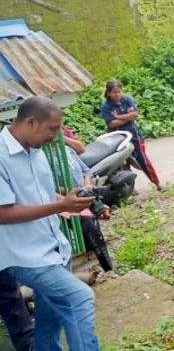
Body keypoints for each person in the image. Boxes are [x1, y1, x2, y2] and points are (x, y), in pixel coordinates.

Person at [0, 96, 100, 350]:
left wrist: (75, 203)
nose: (56, 136)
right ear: (31, 122)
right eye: (53, 129)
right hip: (24, 256)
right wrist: (59, 206)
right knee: (80, 298)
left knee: (49, 317)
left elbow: (43, 196)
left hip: (55, 248)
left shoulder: (36, 151)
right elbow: (3, 212)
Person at [100, 81, 162, 190]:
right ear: (108, 93)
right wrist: (128, 117)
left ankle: (157, 183)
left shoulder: (127, 100)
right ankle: (129, 189)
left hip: (133, 135)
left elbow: (135, 115)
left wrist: (119, 117)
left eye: (119, 92)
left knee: (142, 159)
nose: (117, 95)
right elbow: (112, 123)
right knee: (123, 163)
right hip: (117, 137)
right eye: (114, 92)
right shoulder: (105, 106)